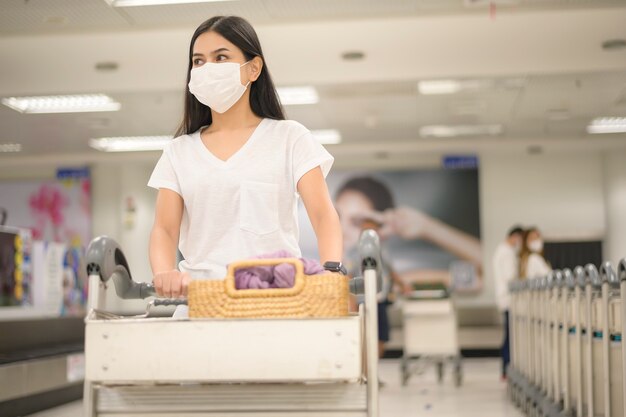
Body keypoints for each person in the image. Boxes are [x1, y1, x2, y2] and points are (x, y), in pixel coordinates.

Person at [147, 16, 342, 302]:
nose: (207, 68)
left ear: (253, 68)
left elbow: (323, 214)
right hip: (201, 300)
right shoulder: (179, 152)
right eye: (198, 61)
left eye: (221, 57)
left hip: (277, 298)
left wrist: (331, 270)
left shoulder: (290, 138)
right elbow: (164, 229)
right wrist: (164, 272)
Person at [334, 176, 482, 287]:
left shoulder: (388, 275)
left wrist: (426, 227)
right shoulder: (319, 271)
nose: (342, 230)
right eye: (337, 217)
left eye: (356, 223)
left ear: (379, 231)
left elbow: (479, 278)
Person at [492, 225, 524, 380]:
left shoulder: (502, 251)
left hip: (505, 299)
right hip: (508, 299)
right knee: (510, 337)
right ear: (514, 236)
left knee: (509, 335)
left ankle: (506, 368)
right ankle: (506, 368)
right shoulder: (506, 253)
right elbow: (510, 276)